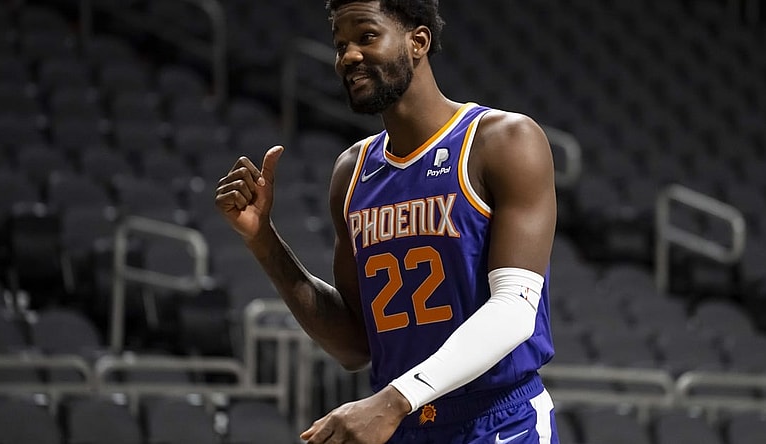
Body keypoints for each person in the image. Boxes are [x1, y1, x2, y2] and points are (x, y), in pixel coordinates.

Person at [215, 0, 559, 442]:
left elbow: (514, 309)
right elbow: (354, 345)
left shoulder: (503, 141)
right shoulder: (351, 172)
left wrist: (393, 399)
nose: (348, 56)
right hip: (402, 421)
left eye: (367, 36)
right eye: (340, 45)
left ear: (418, 41)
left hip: (496, 419)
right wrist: (263, 240)